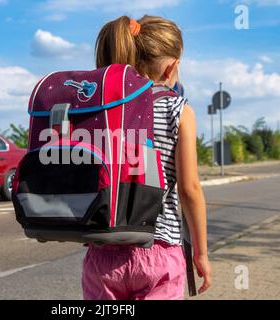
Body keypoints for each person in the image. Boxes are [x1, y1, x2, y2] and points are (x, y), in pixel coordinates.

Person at [82, 15, 212, 300]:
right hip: (158, 253)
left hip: (102, 254)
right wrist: (201, 252)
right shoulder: (177, 109)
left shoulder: (103, 110)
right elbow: (190, 189)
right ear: (172, 68)